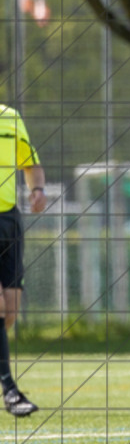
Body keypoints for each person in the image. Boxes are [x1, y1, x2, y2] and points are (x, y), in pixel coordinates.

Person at [0, 103, 45, 416]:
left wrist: (38, 189)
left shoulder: (10, 117)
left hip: (8, 221)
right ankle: (10, 391)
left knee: (10, 312)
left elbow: (30, 164)